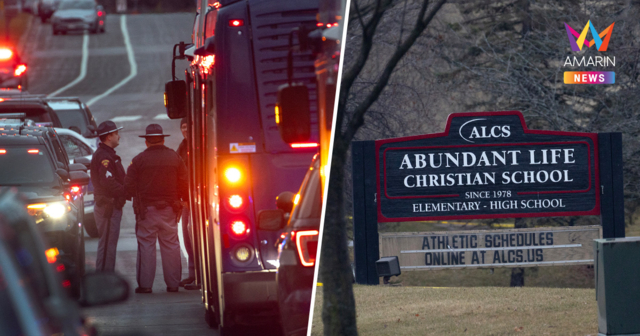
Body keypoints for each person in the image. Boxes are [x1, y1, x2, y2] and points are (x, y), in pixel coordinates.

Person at [125, 124, 188, 294]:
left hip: (146, 211)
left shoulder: (138, 160)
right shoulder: (174, 158)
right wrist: (184, 200)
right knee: (171, 245)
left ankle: (145, 286)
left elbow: (128, 186)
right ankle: (173, 285)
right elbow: (184, 182)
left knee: (146, 245)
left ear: (146, 142)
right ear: (163, 139)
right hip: (170, 209)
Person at [90, 121, 126, 272]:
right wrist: (127, 191)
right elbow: (108, 182)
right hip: (108, 207)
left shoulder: (108, 155)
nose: (119, 136)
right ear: (109, 136)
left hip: (111, 207)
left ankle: (106, 276)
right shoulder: (104, 157)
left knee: (109, 244)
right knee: (106, 246)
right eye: (116, 133)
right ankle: (103, 279)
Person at [176, 117, 197, 289]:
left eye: (187, 127)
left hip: (197, 198)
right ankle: (192, 273)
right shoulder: (182, 147)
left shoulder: (199, 146)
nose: (185, 130)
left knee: (195, 235)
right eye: (182, 127)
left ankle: (199, 274)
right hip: (185, 199)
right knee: (187, 236)